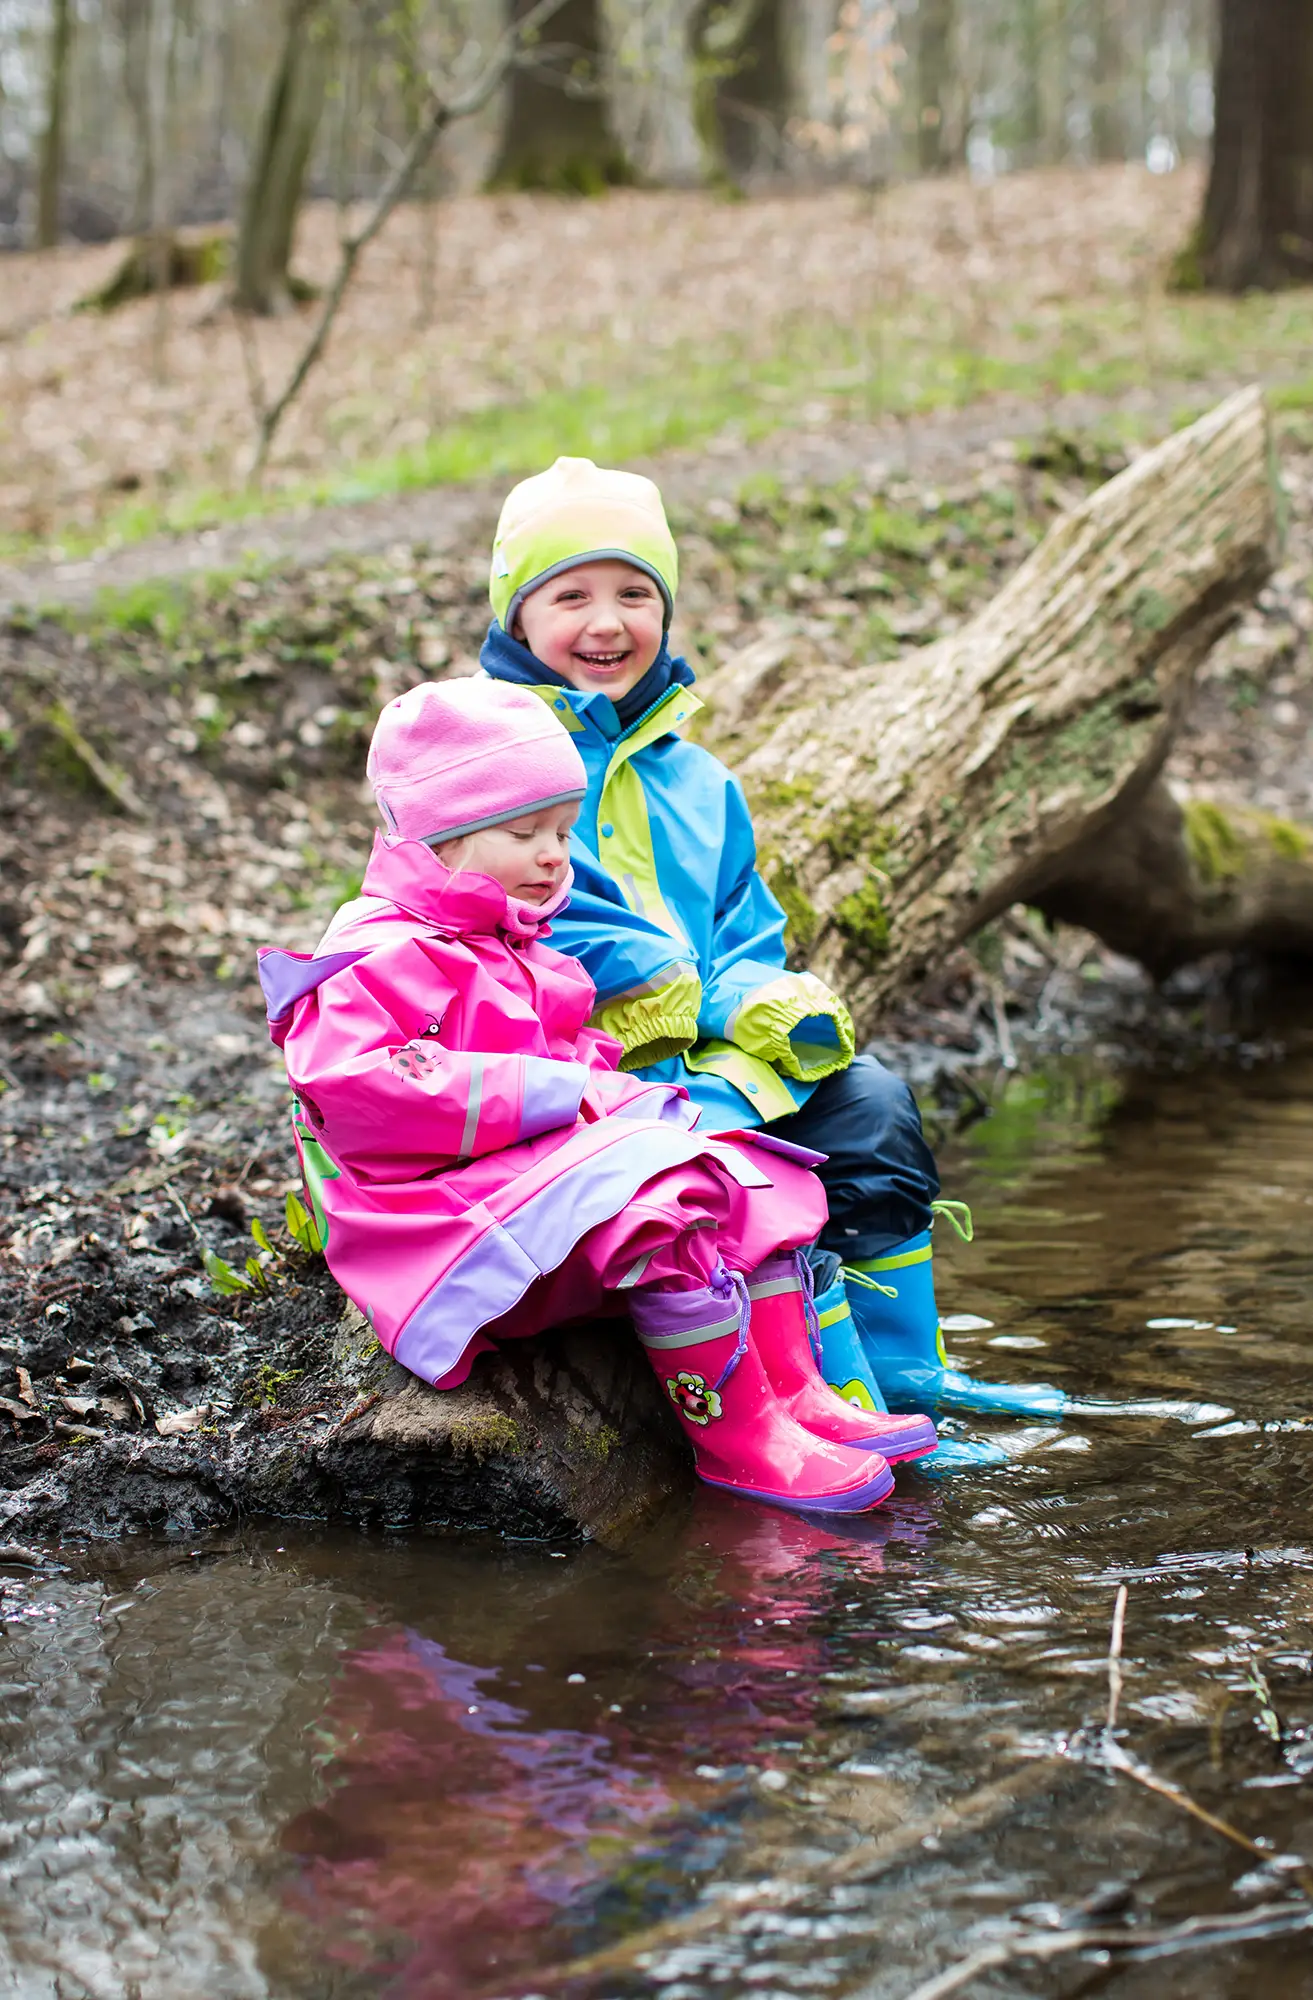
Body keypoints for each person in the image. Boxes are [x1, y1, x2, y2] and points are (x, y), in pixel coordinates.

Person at [477, 457, 1062, 1439]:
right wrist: (706, 1000)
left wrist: (763, 997)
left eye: (634, 592)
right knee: (754, 1176)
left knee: (870, 1106)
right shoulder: (497, 763)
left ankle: (911, 1365)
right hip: (584, 1077)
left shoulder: (698, 779)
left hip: (704, 1057)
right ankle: (832, 1404)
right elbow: (543, 923)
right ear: (517, 618)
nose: (607, 622)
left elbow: (746, 929)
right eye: (570, 594)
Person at [257, 676, 939, 1515]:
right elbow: (366, 1090)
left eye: (563, 831)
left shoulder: (502, 937)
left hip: (512, 1182)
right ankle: (737, 1436)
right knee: (664, 1209)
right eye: (524, 832)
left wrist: (621, 1102)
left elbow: (578, 1056)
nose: (557, 856)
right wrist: (559, 1092)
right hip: (433, 1220)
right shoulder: (379, 955)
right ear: (441, 841)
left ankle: (793, 1397)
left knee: (734, 1169)